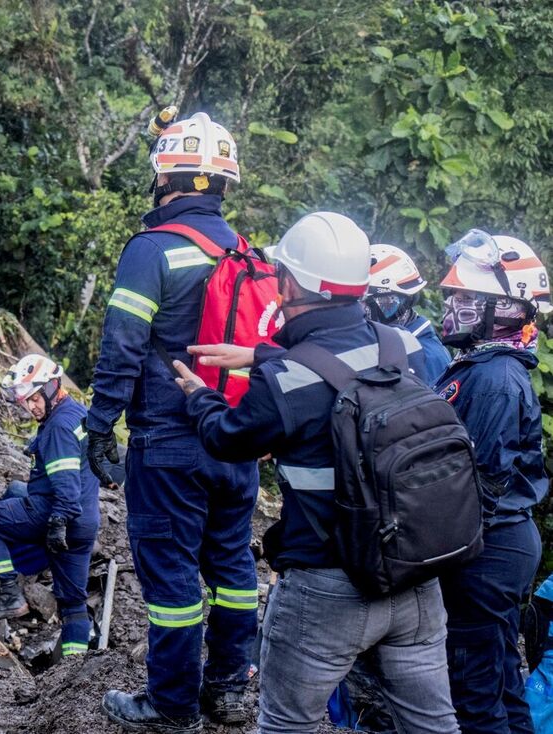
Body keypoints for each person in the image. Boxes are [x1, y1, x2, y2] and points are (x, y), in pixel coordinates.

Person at [173, 211, 459, 734]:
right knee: (433, 726)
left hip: (329, 589)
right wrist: (263, 355)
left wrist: (199, 398)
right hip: (417, 578)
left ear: (287, 282)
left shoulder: (287, 378)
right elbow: (345, 362)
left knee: (288, 725)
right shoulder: (410, 349)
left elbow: (227, 439)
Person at [89, 110, 260, 730]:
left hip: (169, 442)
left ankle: (171, 707)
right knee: (235, 569)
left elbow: (123, 346)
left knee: (172, 579)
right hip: (237, 440)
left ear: (166, 176)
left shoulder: (153, 250)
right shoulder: (245, 251)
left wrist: (100, 422)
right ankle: (229, 691)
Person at [432, 229, 551, 734]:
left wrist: (442, 550)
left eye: (466, 296)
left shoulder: (496, 378)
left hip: (489, 548)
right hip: (495, 545)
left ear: (503, 309)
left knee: (474, 691)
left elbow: (479, 480)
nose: (453, 303)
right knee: (500, 679)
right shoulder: (481, 368)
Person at [0, 354, 101, 657]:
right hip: (86, 524)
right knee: (73, 602)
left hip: (55, 511)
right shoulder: (79, 414)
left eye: (35, 399)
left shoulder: (57, 428)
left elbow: (66, 483)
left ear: (53, 388)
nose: (30, 407)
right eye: (25, 402)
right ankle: (72, 669)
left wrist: (57, 521)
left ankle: (10, 596)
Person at [363, 243, 452, 381]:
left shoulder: (427, 355)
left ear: (402, 301)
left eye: (366, 301)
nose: (361, 309)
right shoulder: (386, 342)